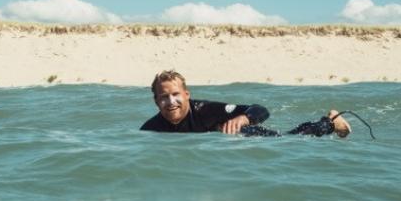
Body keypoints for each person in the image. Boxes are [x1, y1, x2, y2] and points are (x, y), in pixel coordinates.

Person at [140, 70, 352, 137]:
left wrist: (243, 118)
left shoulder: (205, 110)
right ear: (156, 101)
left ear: (186, 94)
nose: (171, 101)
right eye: (164, 97)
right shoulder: (150, 128)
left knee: (291, 139)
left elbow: (261, 110)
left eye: (176, 94)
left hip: (250, 138)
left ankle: (331, 122)